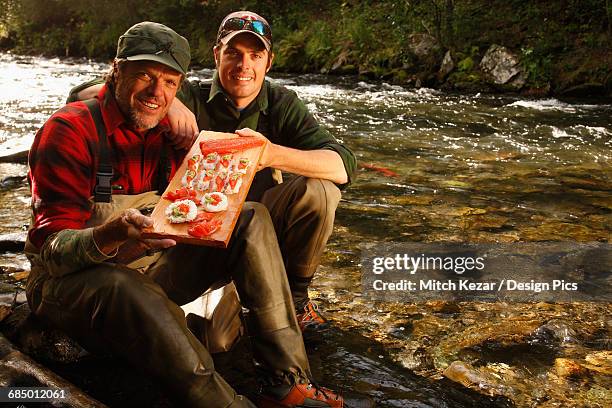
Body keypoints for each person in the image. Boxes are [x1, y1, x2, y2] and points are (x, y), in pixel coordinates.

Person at [27, 21, 372, 408]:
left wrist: (266, 156)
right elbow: (49, 252)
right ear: (117, 70)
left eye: (170, 82)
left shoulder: (177, 132)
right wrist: (113, 234)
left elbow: (343, 164)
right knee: (124, 287)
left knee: (251, 217)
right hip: (71, 283)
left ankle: (286, 384)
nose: (157, 93)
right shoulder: (71, 130)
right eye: (144, 75)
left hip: (150, 267)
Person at [70, 11, 357, 333]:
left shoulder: (281, 104)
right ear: (217, 53)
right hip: (194, 236)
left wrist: (270, 154)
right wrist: (171, 104)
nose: (243, 65)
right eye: (233, 53)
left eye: (255, 55)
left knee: (320, 190)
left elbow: (342, 164)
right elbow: (83, 92)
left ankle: (297, 300)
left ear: (269, 61)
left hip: (260, 223)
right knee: (216, 340)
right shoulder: (186, 93)